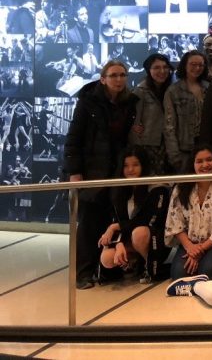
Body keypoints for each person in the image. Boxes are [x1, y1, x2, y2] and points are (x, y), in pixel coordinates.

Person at [64, 60, 139, 289]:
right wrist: (75, 172)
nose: (119, 79)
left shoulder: (129, 102)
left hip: (116, 171)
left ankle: (106, 269)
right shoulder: (88, 103)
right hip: (92, 172)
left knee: (111, 219)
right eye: (114, 75)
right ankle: (83, 273)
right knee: (88, 224)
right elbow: (74, 139)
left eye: (123, 75)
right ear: (103, 78)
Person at [164, 143, 212, 281]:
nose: (205, 165)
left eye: (209, 159)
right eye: (199, 161)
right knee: (178, 275)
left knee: (208, 272)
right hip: (190, 243)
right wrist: (190, 248)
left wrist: (200, 250)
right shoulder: (181, 188)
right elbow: (175, 222)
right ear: (192, 164)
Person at [98, 145, 171, 283]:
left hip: (154, 237)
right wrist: (118, 243)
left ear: (144, 165)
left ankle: (149, 267)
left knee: (139, 233)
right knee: (106, 258)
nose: (130, 170)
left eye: (135, 165)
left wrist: (115, 227)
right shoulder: (119, 189)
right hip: (127, 235)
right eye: (126, 166)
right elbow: (118, 218)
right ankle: (132, 264)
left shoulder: (156, 188)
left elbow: (148, 221)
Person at [163, 50, 209, 173]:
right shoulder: (173, 91)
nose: (197, 68)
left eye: (201, 65)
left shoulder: (208, 88)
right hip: (183, 151)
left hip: (206, 148)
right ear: (184, 65)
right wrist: (174, 155)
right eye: (193, 64)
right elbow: (169, 126)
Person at [129, 53, 174, 175]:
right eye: (156, 68)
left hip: (168, 144)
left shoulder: (171, 89)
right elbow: (135, 123)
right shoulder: (140, 91)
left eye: (165, 67)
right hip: (147, 145)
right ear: (149, 70)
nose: (162, 71)